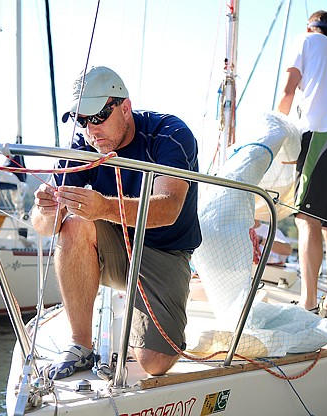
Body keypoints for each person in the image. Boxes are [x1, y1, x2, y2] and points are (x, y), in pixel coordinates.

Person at [31, 66, 201, 379]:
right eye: (82, 120)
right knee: (75, 225)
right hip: (117, 249)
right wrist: (47, 209)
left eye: (98, 117)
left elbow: (169, 209)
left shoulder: (170, 134)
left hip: (165, 253)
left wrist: (105, 207)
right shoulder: (84, 146)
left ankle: (161, 312)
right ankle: (80, 345)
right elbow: (42, 227)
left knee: (154, 362)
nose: (90, 129)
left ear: (125, 107)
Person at [276, 10, 327, 329]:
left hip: (321, 133)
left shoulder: (306, 40)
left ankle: (309, 303)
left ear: (310, 28)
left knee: (307, 219)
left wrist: (275, 129)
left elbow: (289, 88)